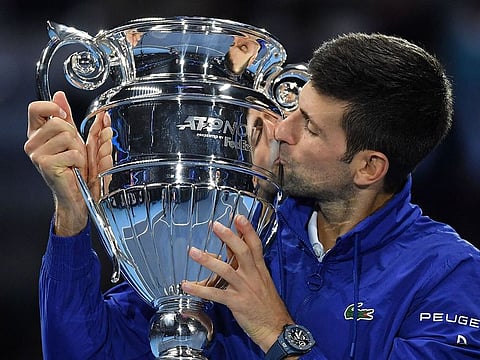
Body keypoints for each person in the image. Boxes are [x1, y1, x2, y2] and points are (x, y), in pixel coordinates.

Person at [24, 32, 480, 359]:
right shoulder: (237, 225)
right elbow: (83, 350)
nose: (282, 130)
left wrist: (275, 331)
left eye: (311, 128)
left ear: (368, 167)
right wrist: (72, 215)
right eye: (295, 108)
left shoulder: (449, 275)